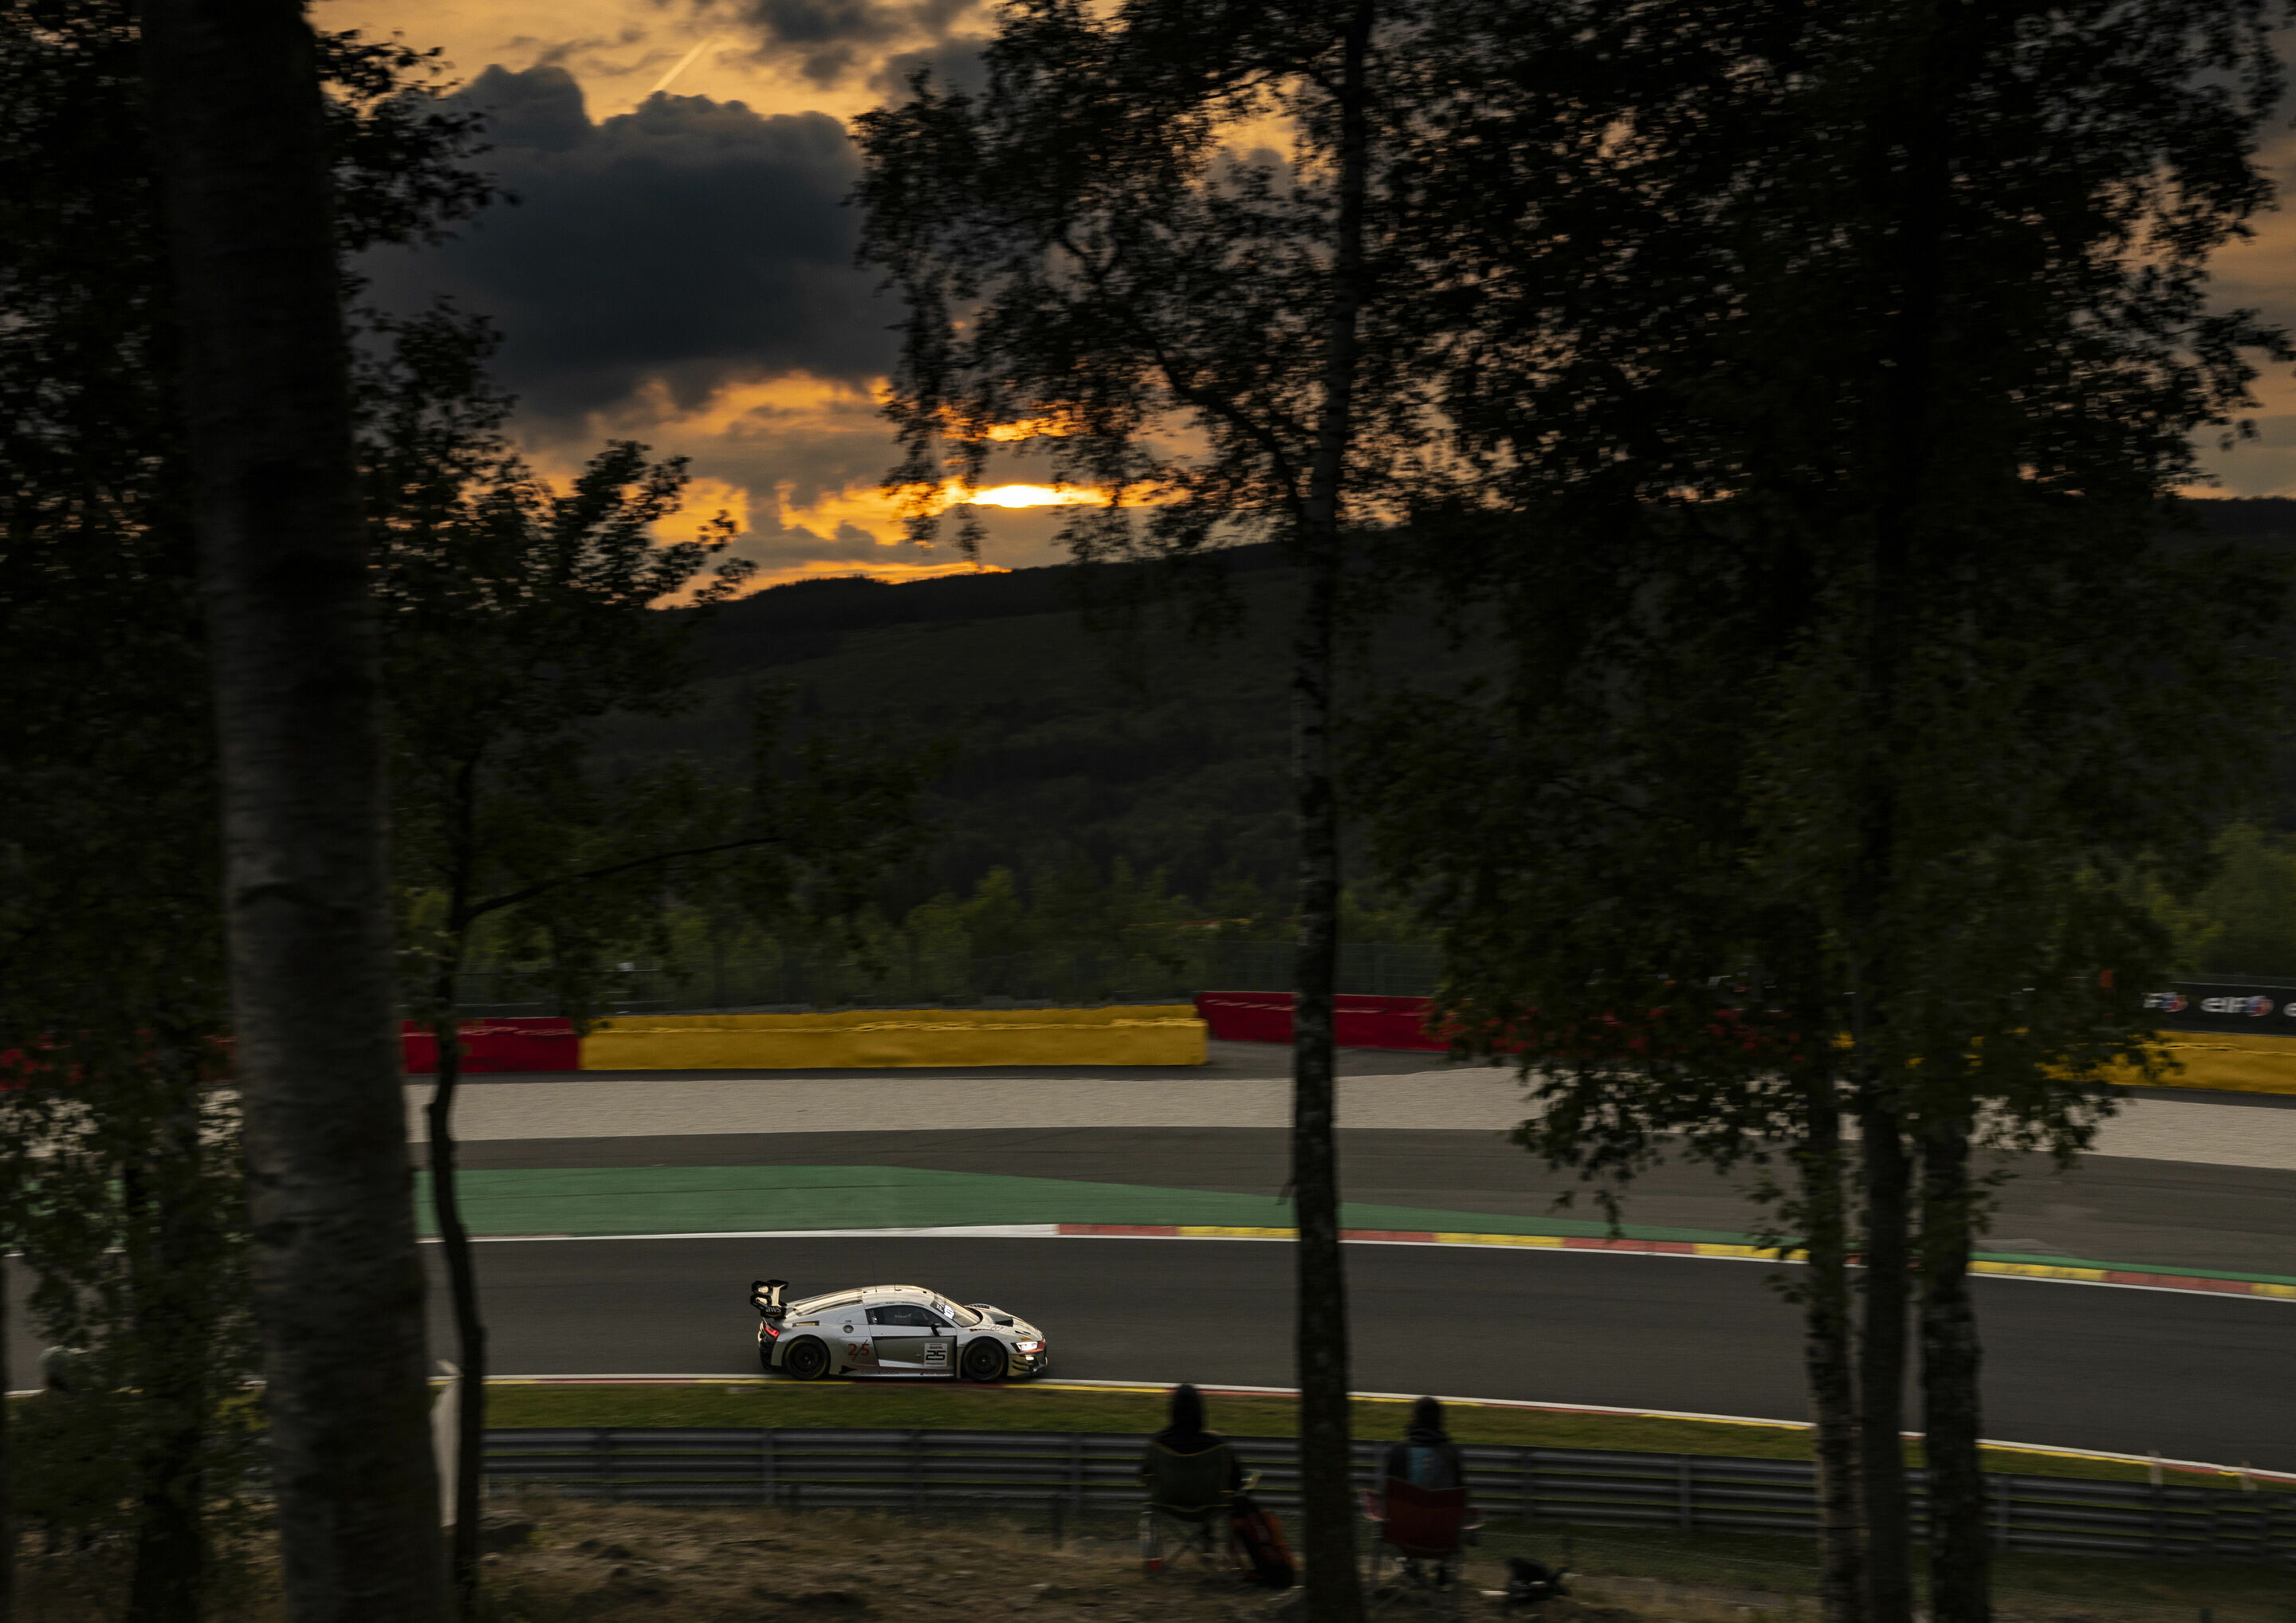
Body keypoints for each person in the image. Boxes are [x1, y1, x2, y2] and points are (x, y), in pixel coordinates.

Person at [1138, 1382, 1244, 1519]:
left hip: (1167, 1504)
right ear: (1200, 1411)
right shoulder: (1218, 1445)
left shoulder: (1157, 1444)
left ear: (1173, 1411)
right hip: (1212, 1506)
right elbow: (1236, 1481)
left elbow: (1145, 1476)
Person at [1382, 1396, 1467, 1492]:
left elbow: (1388, 1492)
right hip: (1441, 1506)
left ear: (1415, 1421)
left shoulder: (1399, 1450)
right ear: (1440, 1423)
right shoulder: (1452, 1452)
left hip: (1407, 1506)